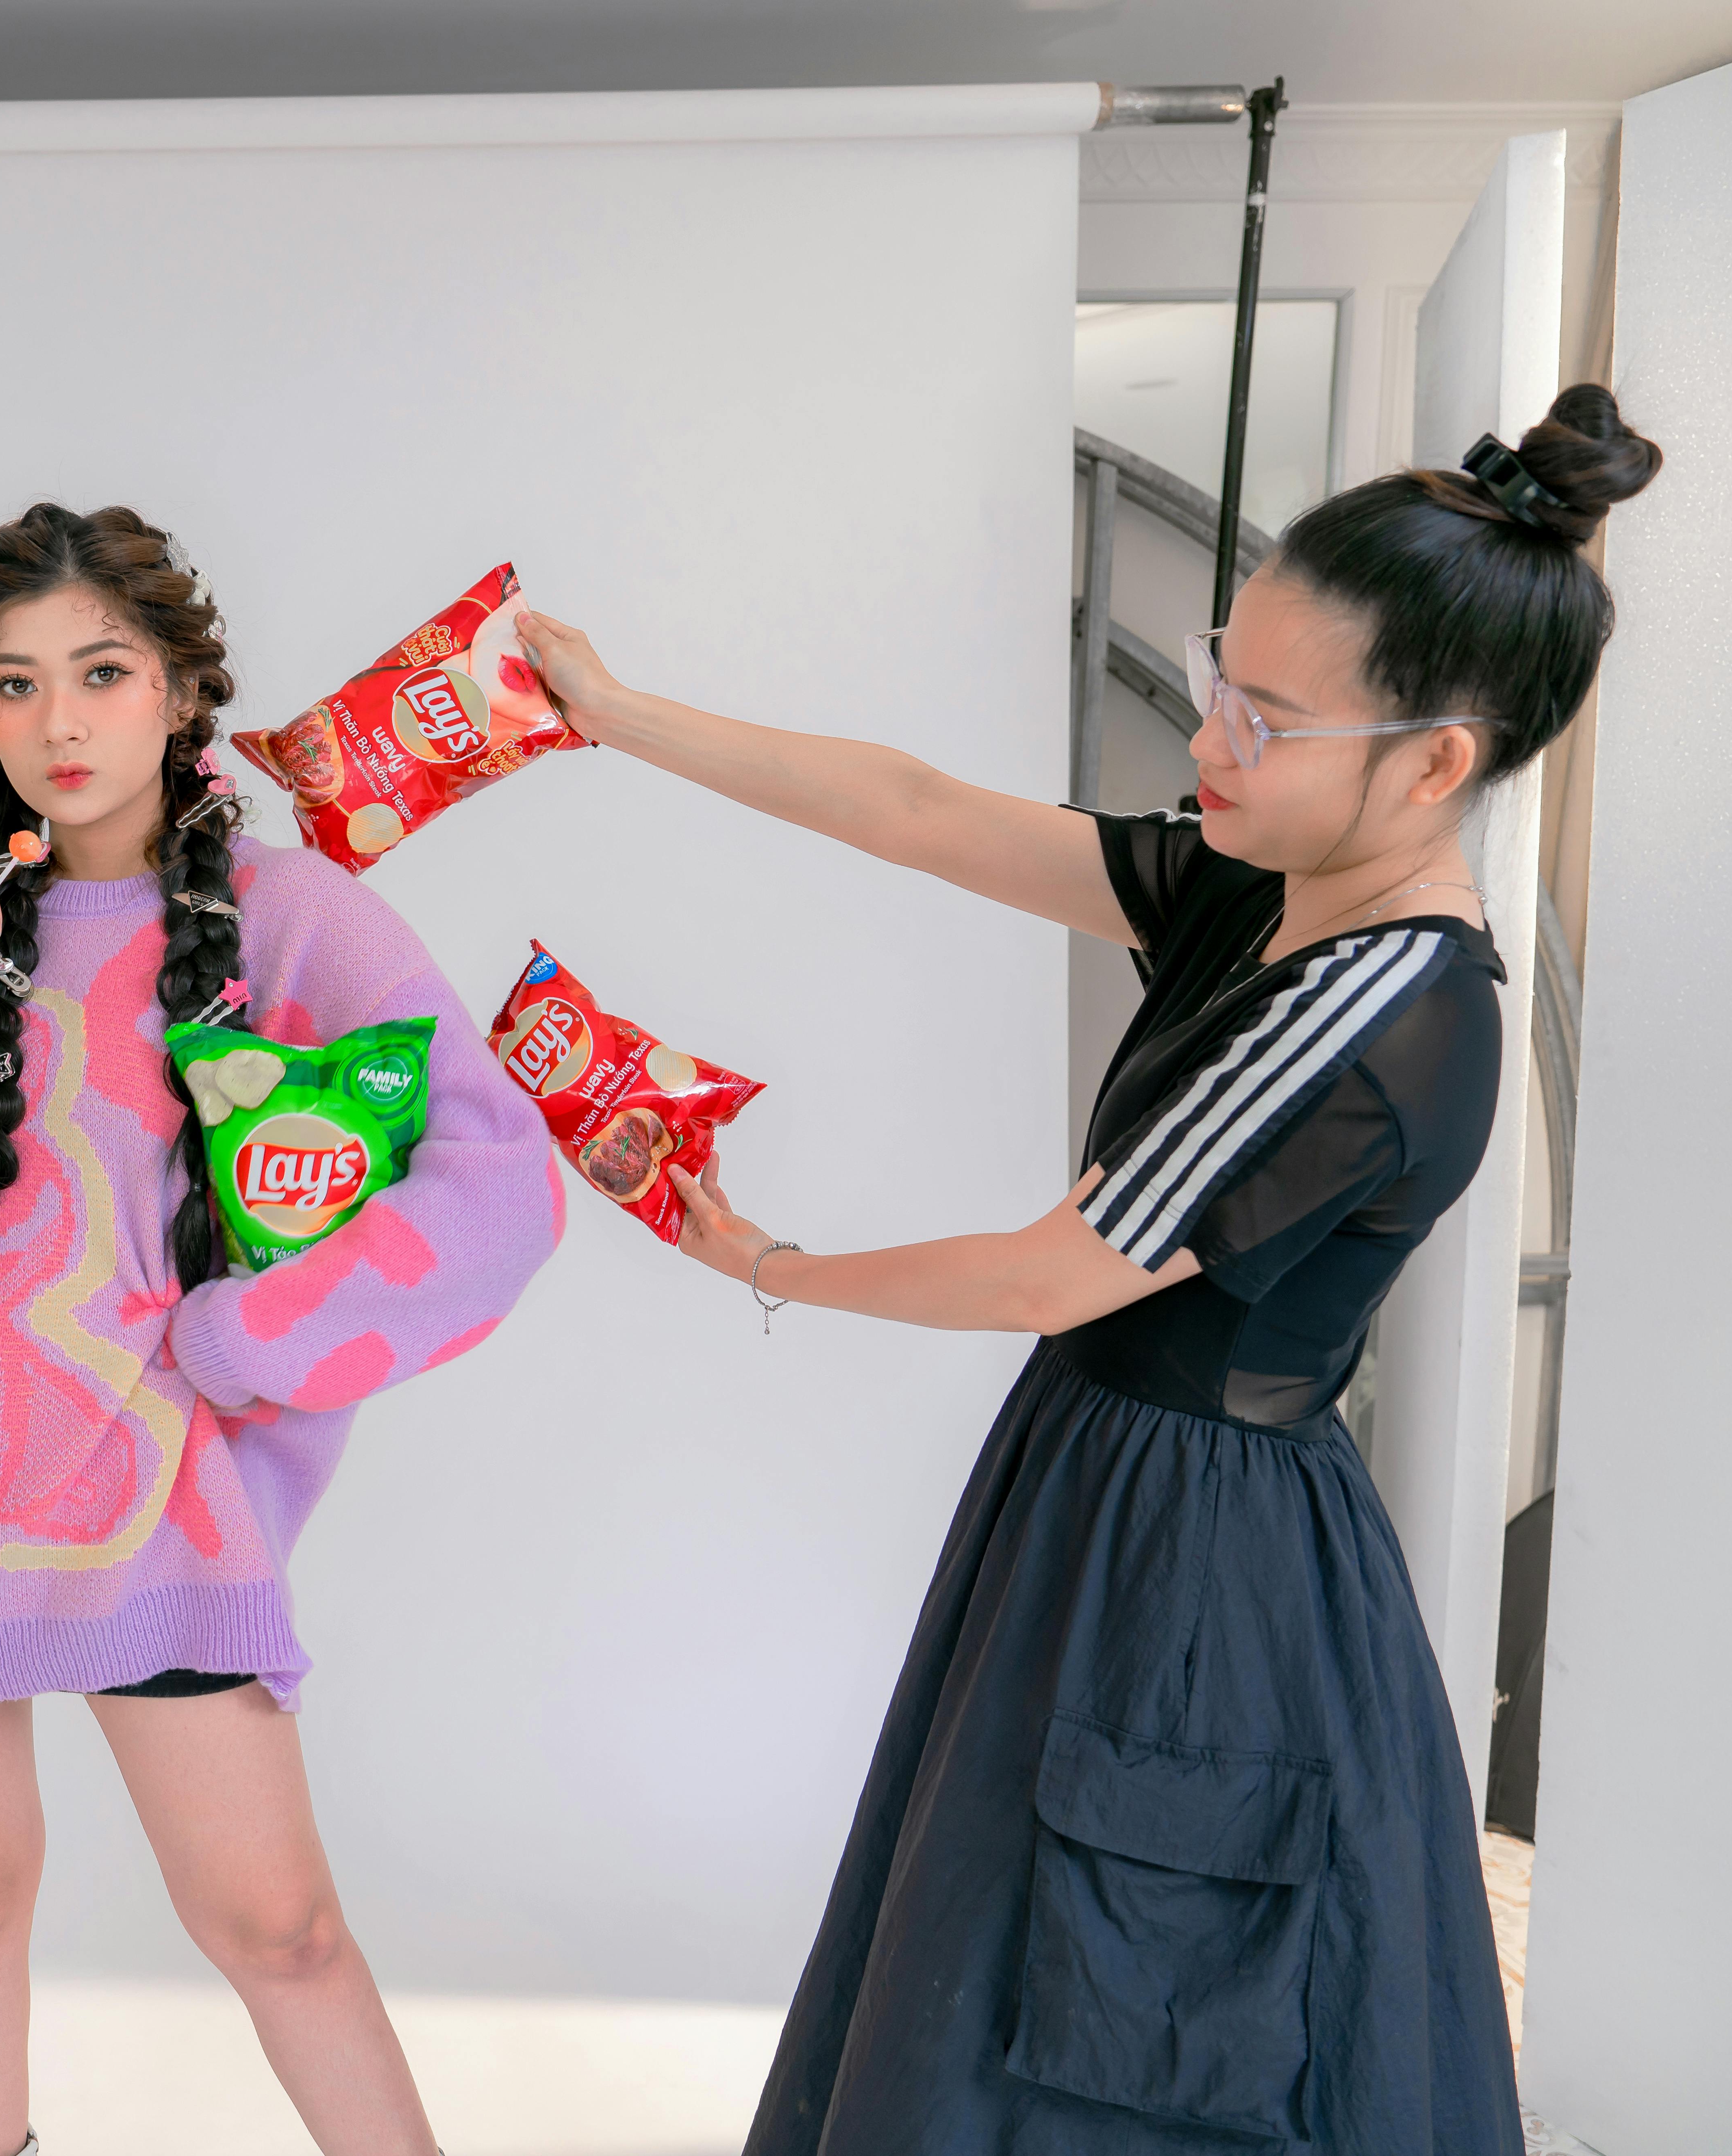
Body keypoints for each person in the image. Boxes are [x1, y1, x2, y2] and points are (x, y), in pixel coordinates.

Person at [516, 384, 1661, 2154]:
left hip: (1197, 1564)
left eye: (1264, 719)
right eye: (1220, 680)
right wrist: (612, 714)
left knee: (1115, 2021)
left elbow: (1047, 1279)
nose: (1210, 739)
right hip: (1107, 1490)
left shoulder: (1376, 1012)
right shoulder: (1261, 885)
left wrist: (762, 1257)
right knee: (1003, 1958)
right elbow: (916, 809)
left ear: (1434, 763)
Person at [0, 505, 560, 2156]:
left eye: (103, 673)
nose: (59, 721)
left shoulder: (295, 916)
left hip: (161, 1509)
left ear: (183, 691)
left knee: (281, 1932)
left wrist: (255, 1340)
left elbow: (503, 1186)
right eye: (15, 683)